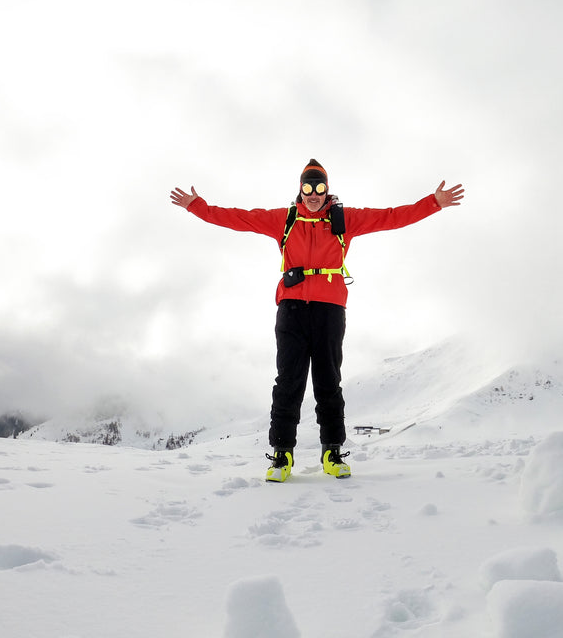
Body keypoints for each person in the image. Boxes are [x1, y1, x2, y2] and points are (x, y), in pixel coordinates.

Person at [170, 159, 464, 483]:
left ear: (327, 190)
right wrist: (196, 206)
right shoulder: (285, 219)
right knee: (288, 383)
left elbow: (390, 217)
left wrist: (433, 203)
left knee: (328, 383)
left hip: (329, 311)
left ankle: (332, 452)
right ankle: (281, 456)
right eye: (308, 188)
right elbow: (238, 218)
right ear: (300, 189)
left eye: (319, 188)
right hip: (292, 309)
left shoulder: (344, 219)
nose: (313, 194)